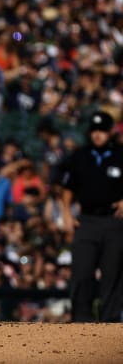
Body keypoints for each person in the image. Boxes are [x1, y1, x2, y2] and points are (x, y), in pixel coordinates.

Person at [61, 110, 123, 322]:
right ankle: (81, 322)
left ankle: (111, 323)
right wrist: (67, 214)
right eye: (94, 130)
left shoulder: (120, 155)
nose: (98, 134)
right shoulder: (80, 157)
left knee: (113, 275)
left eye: (102, 130)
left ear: (110, 132)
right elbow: (67, 188)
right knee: (81, 273)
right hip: (86, 221)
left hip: (113, 221)